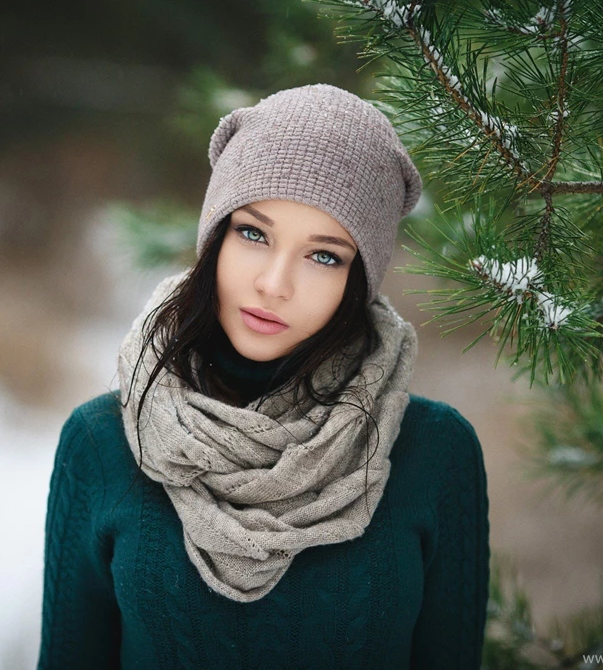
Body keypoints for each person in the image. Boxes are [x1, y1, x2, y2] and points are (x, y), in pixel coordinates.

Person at [36, 83, 490, 669]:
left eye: (324, 255)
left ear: (358, 281)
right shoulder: (101, 444)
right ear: (216, 238)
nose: (274, 284)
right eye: (254, 233)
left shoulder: (434, 452)